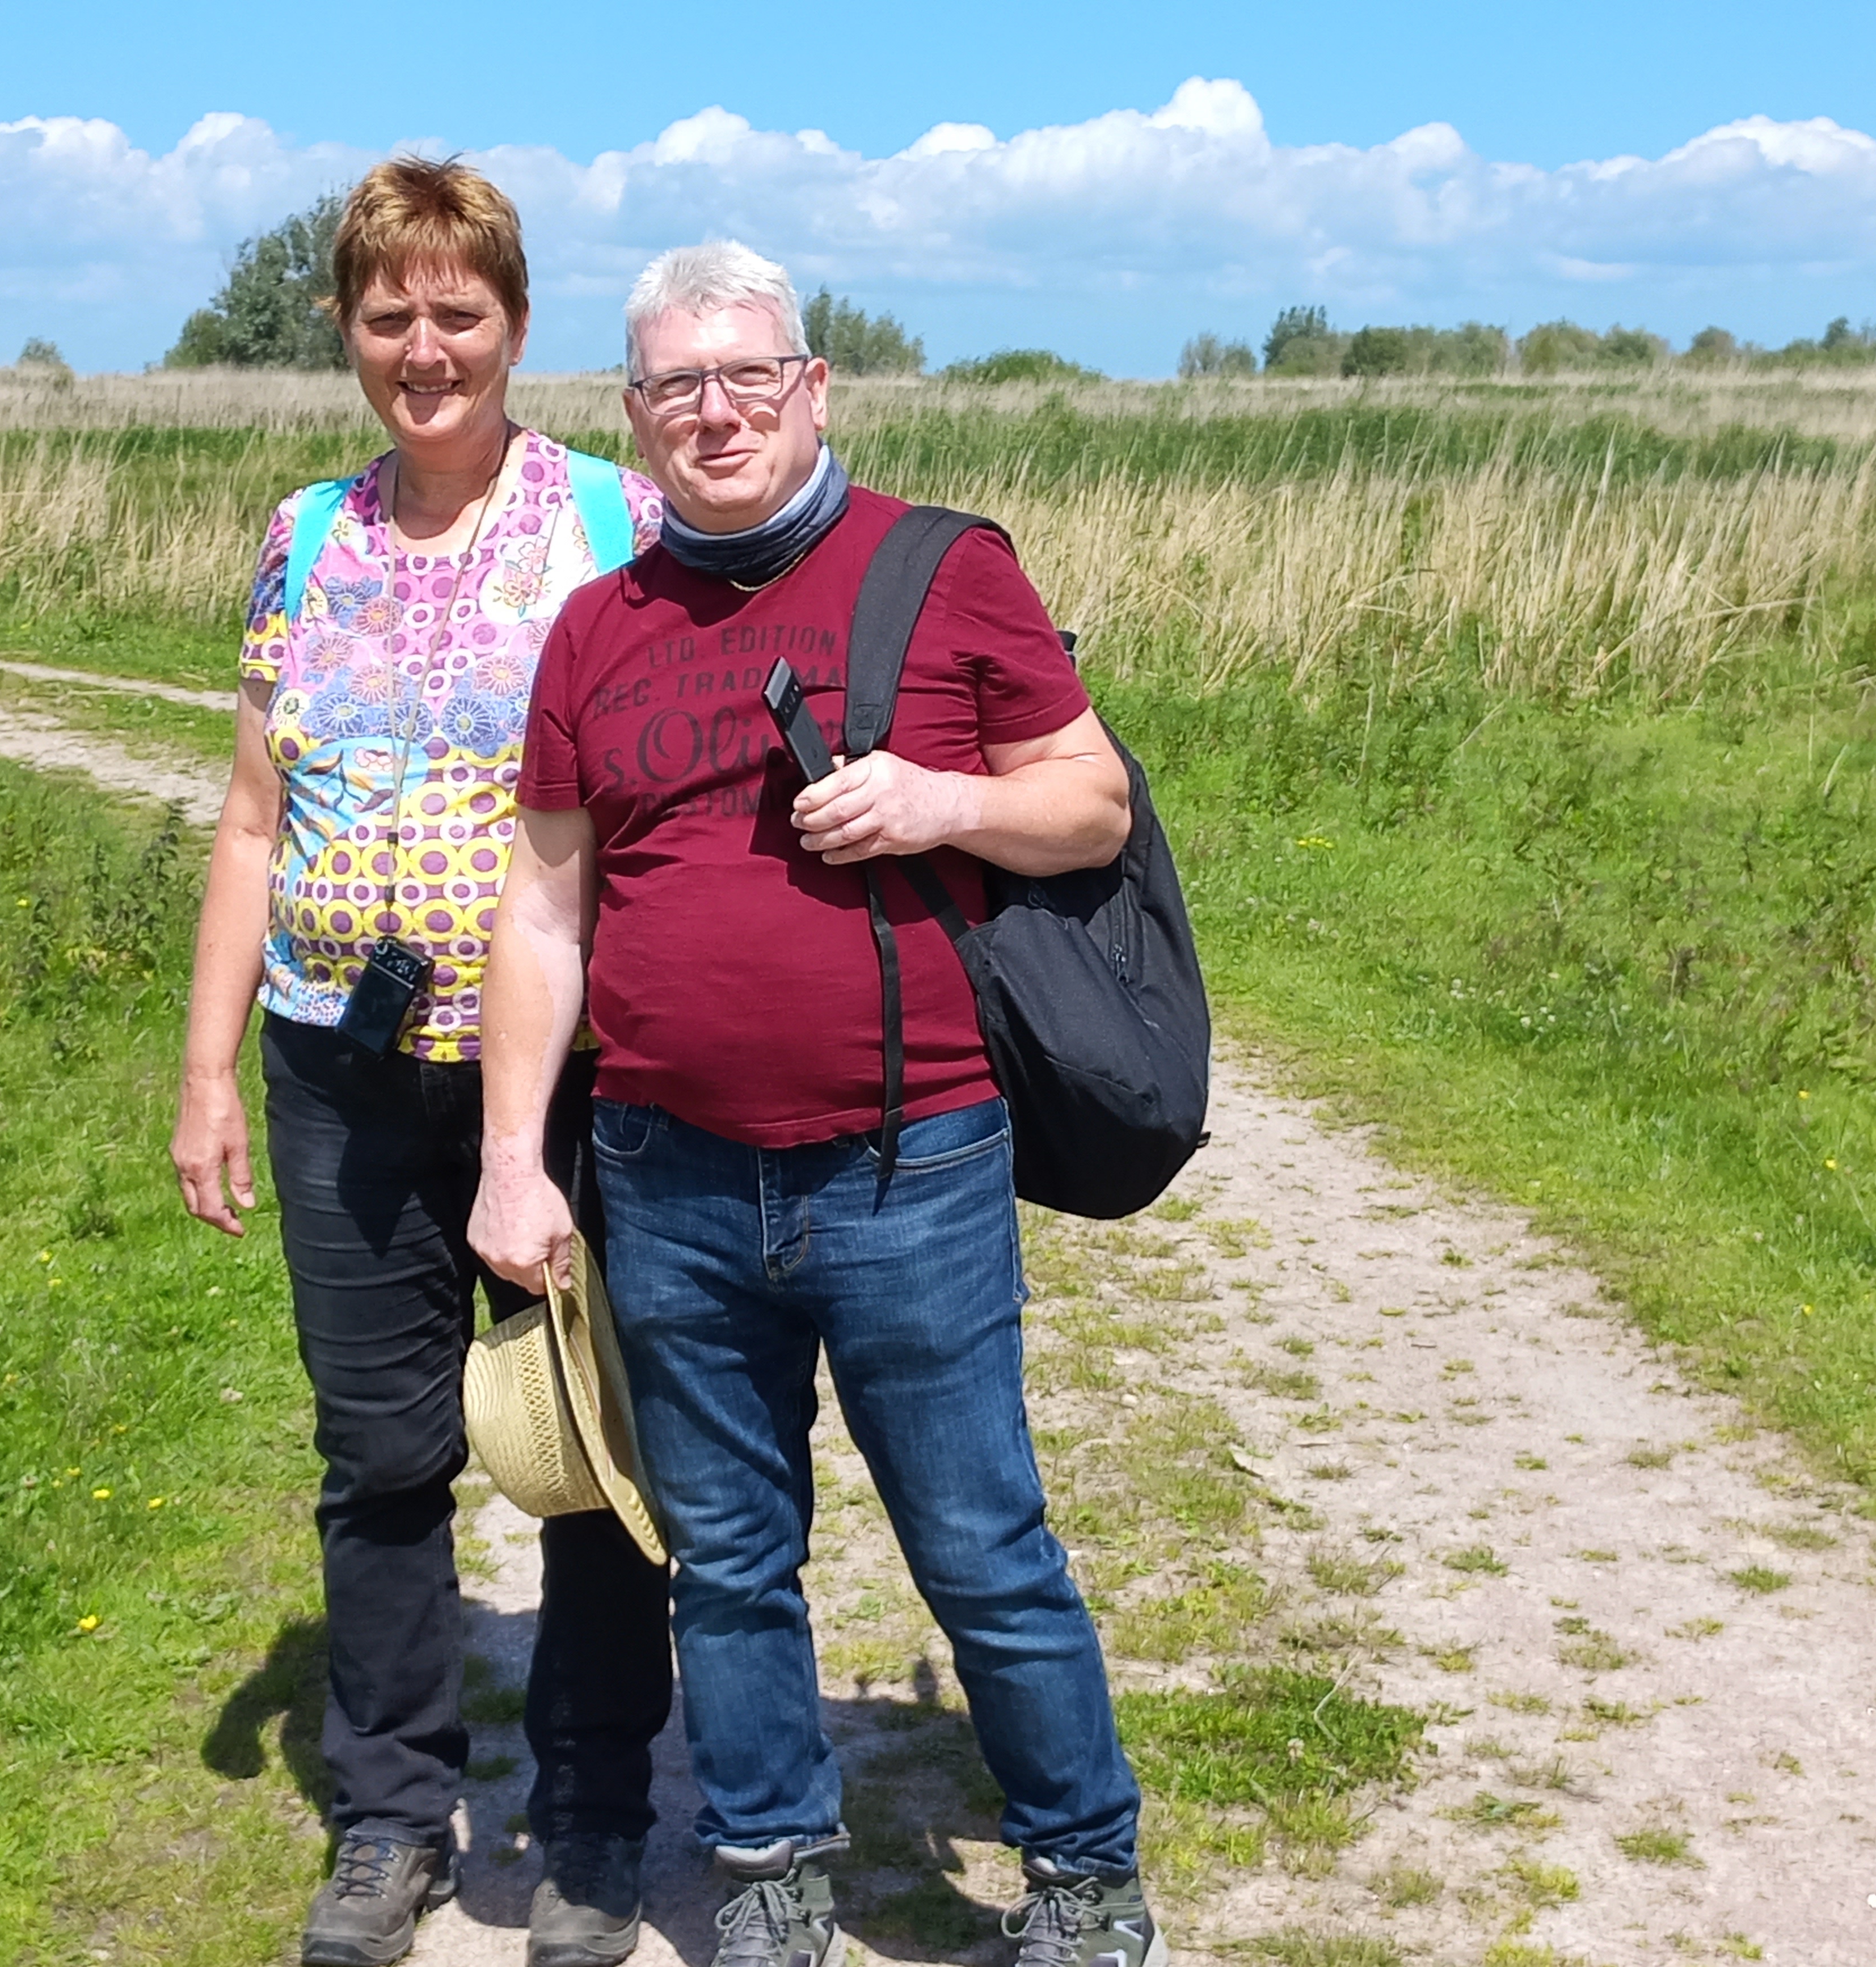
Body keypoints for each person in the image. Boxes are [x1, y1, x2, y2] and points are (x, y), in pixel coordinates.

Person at [471, 239, 1169, 1967]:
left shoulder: (946, 570)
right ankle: (771, 1857)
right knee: (726, 1554)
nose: (714, 412)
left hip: (910, 1164)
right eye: (676, 384)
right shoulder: (596, 629)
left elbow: (1088, 802)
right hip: (666, 1174)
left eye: (746, 376)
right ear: (634, 410)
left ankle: (1087, 1873)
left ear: (811, 388)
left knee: (980, 1542)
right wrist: (511, 1159)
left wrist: (944, 802)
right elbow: (543, 914)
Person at [167, 158, 672, 1967]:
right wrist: (208, 1073)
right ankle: (390, 1812)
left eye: (459, 311)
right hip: (342, 1069)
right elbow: (252, 816)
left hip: (573, 1073)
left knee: (588, 1442)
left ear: (517, 326)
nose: (425, 347)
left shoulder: (613, 520)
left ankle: (595, 1810)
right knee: (378, 1453)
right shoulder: (305, 535)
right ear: (348, 329)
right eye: (391, 314)